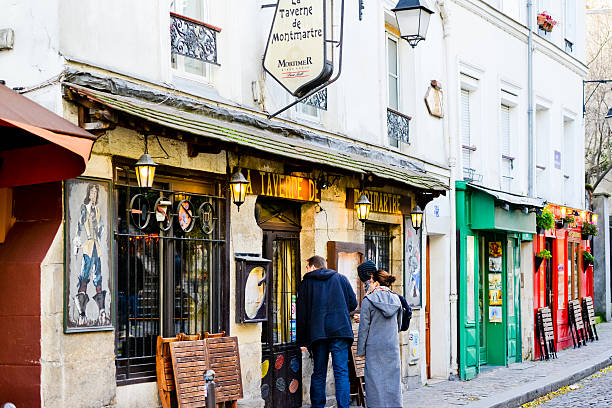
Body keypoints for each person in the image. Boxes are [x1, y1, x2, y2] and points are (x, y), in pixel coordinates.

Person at [296, 255, 358, 408]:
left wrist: (302, 340)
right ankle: (344, 406)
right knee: (341, 372)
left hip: (318, 333)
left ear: (312, 266)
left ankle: (317, 406)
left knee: (319, 372)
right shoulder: (341, 279)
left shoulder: (306, 283)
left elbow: (302, 314)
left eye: (307, 267)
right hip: (340, 331)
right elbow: (353, 303)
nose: (306, 270)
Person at [357, 269, 403, 408]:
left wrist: (361, 351)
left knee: (374, 382)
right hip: (391, 346)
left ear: (376, 283)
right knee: (392, 381)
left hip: (374, 347)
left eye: (370, 282)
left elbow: (363, 328)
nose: (369, 285)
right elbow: (399, 325)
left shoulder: (369, 300)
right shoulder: (396, 299)